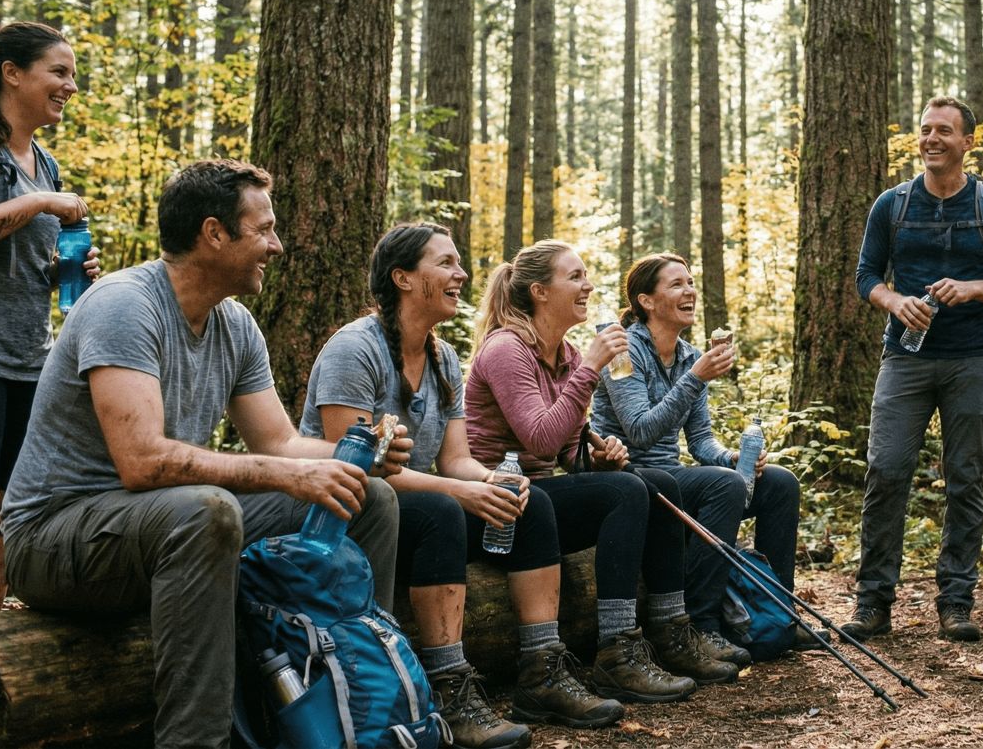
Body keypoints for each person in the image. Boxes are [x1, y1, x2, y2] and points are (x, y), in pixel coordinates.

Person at [0, 160, 409, 749]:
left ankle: (360, 710)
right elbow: (142, 462)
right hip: (54, 538)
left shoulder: (235, 324)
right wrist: (287, 474)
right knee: (206, 511)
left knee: (365, 497)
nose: (277, 245)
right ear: (214, 233)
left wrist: (356, 457)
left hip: (158, 525)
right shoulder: (125, 305)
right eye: (264, 230)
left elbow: (281, 444)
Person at [301, 224, 622, 745]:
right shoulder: (354, 349)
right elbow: (353, 468)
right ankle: (447, 686)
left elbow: (456, 460)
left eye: (459, 263)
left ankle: (541, 671)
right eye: (446, 263)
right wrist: (460, 491)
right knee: (442, 511)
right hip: (356, 513)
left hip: (417, 503)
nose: (462, 274)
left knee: (530, 502)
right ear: (404, 278)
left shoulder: (443, 357)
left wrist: (494, 481)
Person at [464, 239, 738, 705]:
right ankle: (616, 651)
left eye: (586, 275)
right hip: (496, 502)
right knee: (624, 491)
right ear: (539, 292)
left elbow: (565, 453)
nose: (588, 285)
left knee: (656, 483)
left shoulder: (566, 354)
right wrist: (591, 367)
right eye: (575, 276)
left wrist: (599, 459)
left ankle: (671, 630)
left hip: (540, 495)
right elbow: (540, 439)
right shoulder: (508, 349)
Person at [843, 95, 983, 643]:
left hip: (971, 358)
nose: (931, 139)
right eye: (926, 129)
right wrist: (894, 301)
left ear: (967, 142)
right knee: (886, 470)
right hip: (905, 358)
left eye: (944, 131)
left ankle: (956, 601)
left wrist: (973, 289)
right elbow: (866, 276)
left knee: (965, 478)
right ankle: (873, 602)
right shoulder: (892, 205)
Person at [0, 22, 99, 615]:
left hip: (28, 362)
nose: (70, 86)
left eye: (73, 76)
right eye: (59, 72)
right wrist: (38, 202)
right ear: (12, 73)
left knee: (0, 517)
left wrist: (66, 271)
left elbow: (19, 259)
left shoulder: (44, 162)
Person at [591, 252, 811, 661]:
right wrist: (695, 379)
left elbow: (700, 442)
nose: (689, 291)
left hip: (674, 475)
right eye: (676, 284)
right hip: (632, 477)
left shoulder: (691, 356)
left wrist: (732, 458)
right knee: (723, 486)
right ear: (646, 301)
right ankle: (703, 624)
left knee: (779, 483)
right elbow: (640, 430)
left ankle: (779, 612)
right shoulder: (623, 352)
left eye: (690, 282)